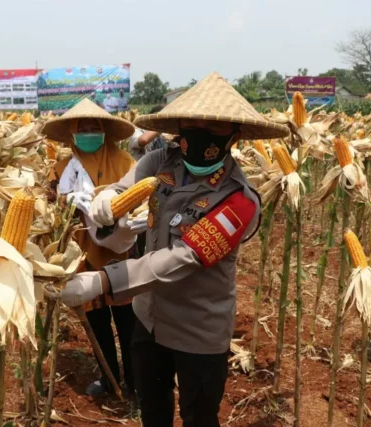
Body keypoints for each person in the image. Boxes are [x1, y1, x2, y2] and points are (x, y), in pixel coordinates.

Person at [60, 72, 290, 426]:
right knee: (154, 410)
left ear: (234, 135)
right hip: (148, 316)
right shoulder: (159, 162)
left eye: (212, 129)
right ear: (179, 127)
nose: (198, 134)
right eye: (191, 125)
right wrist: (109, 198)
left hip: (198, 327)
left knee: (198, 416)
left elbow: (185, 258)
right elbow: (126, 186)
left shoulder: (239, 201)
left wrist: (104, 281)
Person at [44, 98, 146, 397]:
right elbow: (49, 203)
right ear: (73, 134)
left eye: (94, 128)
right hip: (82, 253)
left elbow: (139, 197)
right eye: (83, 128)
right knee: (96, 320)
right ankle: (109, 376)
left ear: (105, 132)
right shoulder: (62, 167)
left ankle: (136, 382)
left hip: (122, 250)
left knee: (129, 321)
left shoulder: (126, 162)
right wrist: (65, 202)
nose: (89, 133)